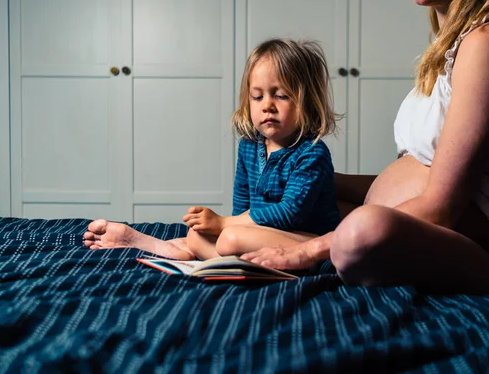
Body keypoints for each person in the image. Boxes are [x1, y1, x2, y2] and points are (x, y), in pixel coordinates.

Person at [241, 0, 489, 295]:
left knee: (361, 231)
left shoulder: (488, 43)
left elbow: (443, 204)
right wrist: (321, 179)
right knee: (310, 201)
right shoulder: (455, 47)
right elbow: (423, 173)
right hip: (438, 223)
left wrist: (306, 251)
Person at [83, 38, 341, 260]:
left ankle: (200, 251)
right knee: (199, 234)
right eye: (257, 96)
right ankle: (171, 247)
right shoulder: (250, 146)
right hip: (268, 234)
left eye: (281, 96)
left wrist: (224, 224)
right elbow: (242, 204)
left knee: (230, 239)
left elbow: (289, 214)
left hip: (307, 241)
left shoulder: (311, 153)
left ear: (307, 102)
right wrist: (223, 225)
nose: (267, 106)